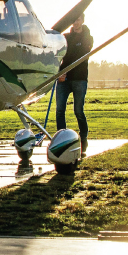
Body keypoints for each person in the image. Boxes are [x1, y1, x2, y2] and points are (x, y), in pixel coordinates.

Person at [56, 13, 93, 152]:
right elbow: (59, 55)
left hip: (80, 78)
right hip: (64, 78)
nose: (75, 22)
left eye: (78, 20)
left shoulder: (88, 37)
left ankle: (83, 138)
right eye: (73, 20)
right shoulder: (65, 37)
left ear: (82, 20)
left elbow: (82, 52)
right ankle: (62, 140)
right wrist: (59, 71)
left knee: (78, 110)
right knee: (60, 110)